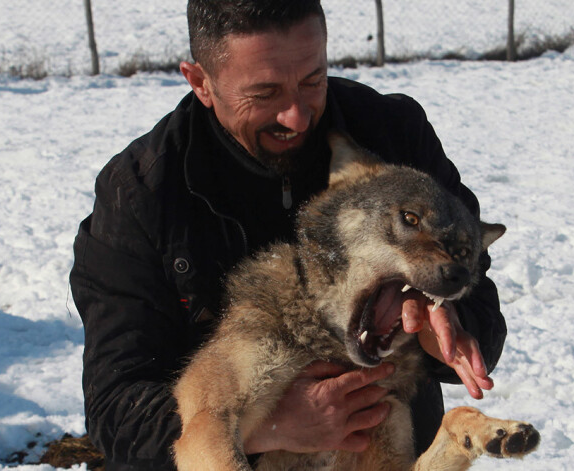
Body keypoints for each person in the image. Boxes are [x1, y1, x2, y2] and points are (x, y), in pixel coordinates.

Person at [69, 0, 507, 469]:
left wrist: (441, 315)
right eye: (265, 93)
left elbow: (477, 297)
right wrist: (270, 424)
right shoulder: (141, 191)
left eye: (312, 80)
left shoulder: (392, 132)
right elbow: (116, 408)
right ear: (201, 82)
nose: (297, 116)